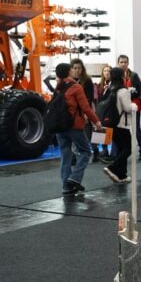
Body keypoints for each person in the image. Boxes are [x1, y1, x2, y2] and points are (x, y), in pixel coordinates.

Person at [53, 63, 103, 196]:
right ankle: (74, 178)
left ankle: (66, 187)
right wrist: (96, 121)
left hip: (59, 126)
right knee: (86, 151)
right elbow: (86, 107)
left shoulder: (58, 87)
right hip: (74, 126)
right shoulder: (76, 87)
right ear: (69, 72)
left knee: (65, 154)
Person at [103, 67, 138, 184]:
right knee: (129, 148)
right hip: (121, 124)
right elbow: (128, 108)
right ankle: (112, 167)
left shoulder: (109, 89)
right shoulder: (123, 91)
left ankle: (121, 175)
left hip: (110, 123)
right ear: (122, 76)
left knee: (121, 149)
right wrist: (134, 106)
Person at [117, 54, 141, 160]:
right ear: (118, 63)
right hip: (121, 106)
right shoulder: (116, 75)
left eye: (125, 62)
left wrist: (128, 93)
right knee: (121, 130)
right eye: (121, 62)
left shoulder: (133, 75)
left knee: (136, 129)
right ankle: (122, 152)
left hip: (134, 105)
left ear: (128, 63)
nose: (124, 64)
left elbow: (139, 90)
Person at [94, 65, 113, 163]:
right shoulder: (99, 85)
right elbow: (97, 98)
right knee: (100, 131)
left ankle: (107, 153)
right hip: (100, 111)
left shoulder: (114, 84)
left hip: (110, 112)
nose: (107, 73)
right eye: (105, 71)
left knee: (108, 131)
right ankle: (101, 152)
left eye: (109, 71)